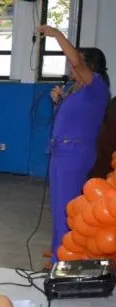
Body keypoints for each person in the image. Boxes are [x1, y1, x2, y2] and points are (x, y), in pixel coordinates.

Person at [37, 25, 111, 263]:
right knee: (59, 207)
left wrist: (57, 35)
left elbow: (77, 63)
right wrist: (59, 101)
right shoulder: (77, 90)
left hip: (74, 154)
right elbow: (70, 120)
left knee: (66, 208)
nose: (71, 66)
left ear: (89, 65)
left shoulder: (96, 87)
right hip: (62, 152)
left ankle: (64, 260)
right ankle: (60, 250)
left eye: (76, 62)